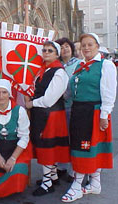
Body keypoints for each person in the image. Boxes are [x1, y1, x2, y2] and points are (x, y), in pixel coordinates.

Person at [61, 33, 117, 202]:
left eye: (89, 44)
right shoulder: (81, 67)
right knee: (86, 147)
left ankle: (77, 186)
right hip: (79, 111)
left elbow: (109, 91)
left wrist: (105, 114)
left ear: (97, 46)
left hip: (93, 112)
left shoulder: (105, 65)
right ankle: (95, 183)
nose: (86, 48)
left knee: (85, 149)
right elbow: (69, 91)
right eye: (83, 45)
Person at [26, 41, 70, 196]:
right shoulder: (44, 70)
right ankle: (53, 176)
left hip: (50, 113)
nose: (45, 53)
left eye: (50, 50)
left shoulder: (59, 72)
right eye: (44, 50)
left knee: (47, 147)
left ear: (57, 54)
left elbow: (49, 99)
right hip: (43, 113)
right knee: (47, 145)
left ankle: (47, 183)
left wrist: (32, 103)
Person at [55, 37, 80, 182]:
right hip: (57, 108)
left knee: (72, 138)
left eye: (66, 46)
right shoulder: (56, 64)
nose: (64, 49)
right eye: (61, 47)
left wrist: (63, 94)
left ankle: (73, 169)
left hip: (71, 106)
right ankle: (61, 166)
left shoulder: (78, 64)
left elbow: (76, 84)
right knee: (61, 138)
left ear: (71, 49)